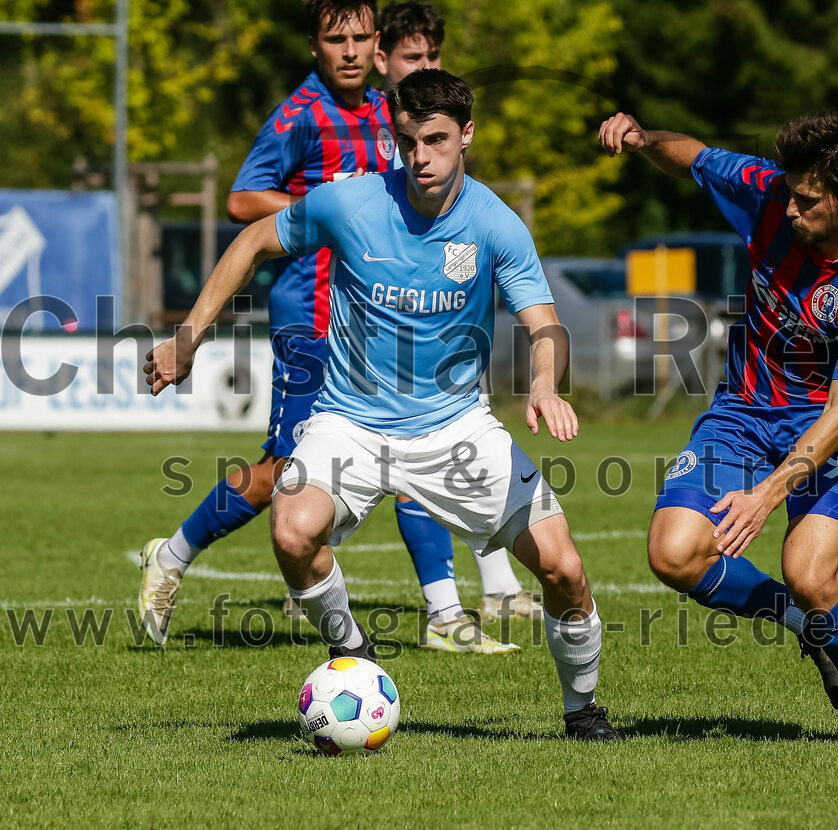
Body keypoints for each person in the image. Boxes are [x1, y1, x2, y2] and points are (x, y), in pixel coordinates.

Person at [146, 69, 618, 741]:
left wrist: (545, 383)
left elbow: (544, 325)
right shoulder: (352, 204)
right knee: (291, 529)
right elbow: (252, 239)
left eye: (436, 140)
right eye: (407, 140)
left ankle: (584, 709)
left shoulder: (494, 224)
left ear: (467, 136)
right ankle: (352, 650)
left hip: (456, 429)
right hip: (351, 422)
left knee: (565, 570)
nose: (420, 157)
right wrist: (190, 337)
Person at [138, 0, 516, 655]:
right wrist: (322, 200)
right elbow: (241, 201)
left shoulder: (387, 110)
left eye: (360, 38)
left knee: (415, 453)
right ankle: (171, 555)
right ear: (313, 46)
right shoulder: (298, 118)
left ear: (376, 45)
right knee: (279, 471)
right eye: (335, 40)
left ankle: (446, 612)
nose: (349, 51)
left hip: (379, 323)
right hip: (312, 321)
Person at [600, 110, 838, 744]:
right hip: (741, 409)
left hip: (824, 424)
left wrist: (767, 496)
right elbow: (692, 155)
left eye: (808, 200)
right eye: (791, 193)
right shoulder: (771, 189)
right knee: (675, 552)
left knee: (811, 572)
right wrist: (641, 139)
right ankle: (802, 621)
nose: (791, 208)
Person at [373, 0, 537, 622]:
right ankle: (444, 610)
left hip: (447, 328)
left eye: (432, 55)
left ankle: (492, 589)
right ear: (383, 59)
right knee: (402, 456)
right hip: (378, 328)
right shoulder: (365, 132)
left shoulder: (439, 120)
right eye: (412, 55)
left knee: (461, 453)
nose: (425, 65)